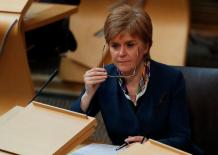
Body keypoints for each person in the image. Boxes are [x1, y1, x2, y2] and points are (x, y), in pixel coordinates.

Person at [71, 4, 193, 153]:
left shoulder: (172, 79)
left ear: (146, 46)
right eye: (115, 46)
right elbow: (72, 128)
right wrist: (87, 95)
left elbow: (182, 139)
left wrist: (148, 144)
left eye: (130, 45)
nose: (121, 53)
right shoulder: (102, 78)